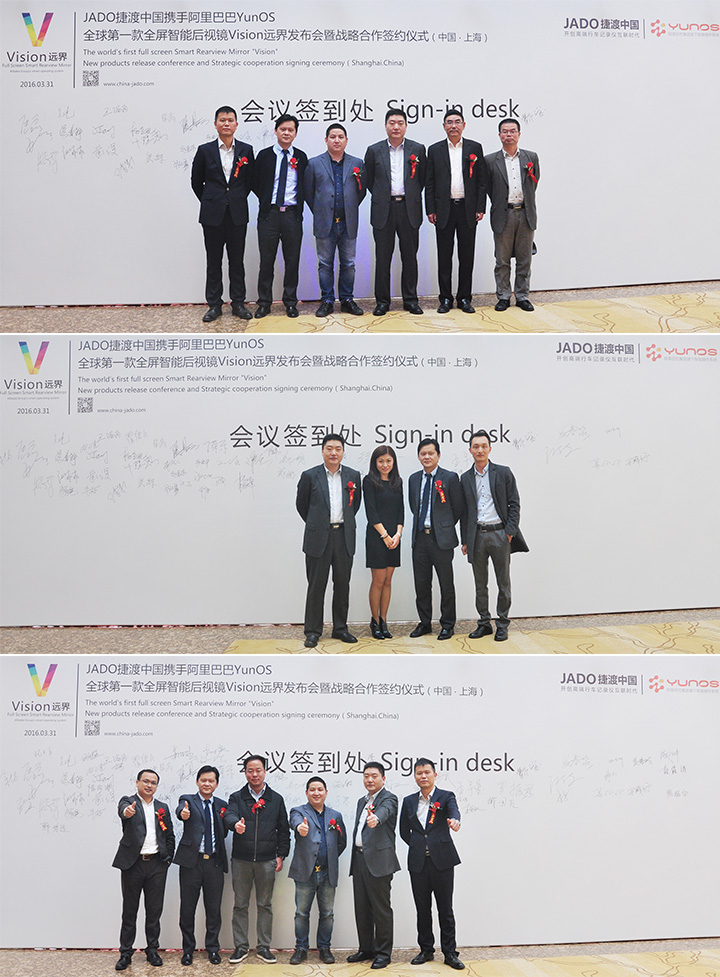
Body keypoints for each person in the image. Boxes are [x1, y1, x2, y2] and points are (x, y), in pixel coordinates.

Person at [460, 430, 529, 642]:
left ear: (490, 448)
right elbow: (465, 512)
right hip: (477, 536)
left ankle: (502, 623)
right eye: (476, 446)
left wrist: (509, 532)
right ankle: (484, 623)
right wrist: (465, 540)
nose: (480, 450)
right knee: (480, 584)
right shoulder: (465, 478)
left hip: (500, 534)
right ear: (470, 450)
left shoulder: (503, 473)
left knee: (503, 582)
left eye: (484, 446)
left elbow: (514, 504)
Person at [296, 432, 362, 647]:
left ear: (343, 452)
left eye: (338, 449)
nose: (334, 453)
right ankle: (313, 631)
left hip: (343, 537)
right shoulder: (309, 476)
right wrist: (318, 524)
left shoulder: (353, 476)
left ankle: (340, 628)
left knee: (342, 585)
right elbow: (302, 506)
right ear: (322, 451)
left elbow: (354, 505)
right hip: (318, 538)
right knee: (316, 586)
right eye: (329, 448)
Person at [191, 105, 255, 323]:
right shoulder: (205, 150)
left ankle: (238, 303)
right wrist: (212, 200)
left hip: (237, 214)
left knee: (237, 261)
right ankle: (214, 305)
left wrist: (234, 198)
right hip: (212, 215)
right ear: (215, 124)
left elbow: (249, 181)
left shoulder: (246, 150)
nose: (226, 123)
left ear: (236, 124)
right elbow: (196, 181)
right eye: (222, 120)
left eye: (230, 120)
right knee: (213, 261)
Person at [224, 755, 290, 965]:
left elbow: (283, 830)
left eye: (258, 770)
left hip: (267, 860)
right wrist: (235, 825)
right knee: (240, 905)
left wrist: (281, 855)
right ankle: (241, 947)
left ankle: (264, 947)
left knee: (265, 905)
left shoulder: (276, 799)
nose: (254, 774)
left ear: (265, 772)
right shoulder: (237, 797)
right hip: (241, 860)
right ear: (245, 772)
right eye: (250, 770)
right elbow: (229, 816)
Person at [399, 759, 463, 971]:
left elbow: (454, 813)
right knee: (422, 909)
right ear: (415, 776)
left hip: (442, 862)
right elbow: (403, 830)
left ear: (434, 775)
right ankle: (426, 949)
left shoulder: (446, 796)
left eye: (427, 772)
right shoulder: (409, 801)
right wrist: (419, 845)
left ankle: (450, 953)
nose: (423, 776)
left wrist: (455, 822)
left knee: (445, 909)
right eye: (419, 773)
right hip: (418, 863)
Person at [364, 109, 426, 316]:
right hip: (384, 209)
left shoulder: (418, 149)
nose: (396, 127)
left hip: (409, 209)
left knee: (410, 257)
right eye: (392, 123)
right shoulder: (374, 150)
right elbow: (370, 180)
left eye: (400, 123)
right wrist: (384, 196)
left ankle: (410, 300)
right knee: (383, 259)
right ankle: (382, 301)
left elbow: (421, 179)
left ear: (406, 126)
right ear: (385, 126)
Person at [112, 768, 175, 971]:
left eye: (153, 783)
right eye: (146, 781)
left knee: (154, 910)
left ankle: (152, 950)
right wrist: (127, 812)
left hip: (157, 864)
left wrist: (167, 860)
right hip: (133, 864)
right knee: (129, 910)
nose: (149, 785)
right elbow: (123, 810)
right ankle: (125, 953)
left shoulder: (162, 807)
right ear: (137, 782)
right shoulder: (128, 802)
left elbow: (170, 835)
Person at [425, 108, 487, 314]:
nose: (453, 125)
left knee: (466, 256)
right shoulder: (434, 150)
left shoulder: (475, 148)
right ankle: (445, 298)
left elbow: (481, 181)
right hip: (444, 209)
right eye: (449, 122)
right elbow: (429, 182)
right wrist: (431, 209)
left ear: (464, 125)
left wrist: (480, 207)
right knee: (444, 256)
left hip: (467, 210)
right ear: (444, 126)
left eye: (457, 122)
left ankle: (464, 298)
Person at [304, 124, 366, 317]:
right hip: (325, 223)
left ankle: (347, 299)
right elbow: (308, 192)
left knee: (349, 264)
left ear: (346, 140)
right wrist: (321, 211)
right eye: (332, 136)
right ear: (326, 140)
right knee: (325, 264)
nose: (336, 140)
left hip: (348, 222)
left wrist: (349, 208)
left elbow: (361, 191)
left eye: (340, 136)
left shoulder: (357, 163)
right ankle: (327, 300)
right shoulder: (314, 163)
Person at [408, 439, 464, 640]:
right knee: (422, 585)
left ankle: (447, 625)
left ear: (438, 455)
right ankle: (424, 623)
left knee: (446, 585)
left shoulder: (449, 477)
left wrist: (443, 526)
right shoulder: (414, 479)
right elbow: (414, 506)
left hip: (442, 540)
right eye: (423, 453)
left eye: (431, 453)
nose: (427, 457)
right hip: (420, 539)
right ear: (418, 456)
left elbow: (458, 507)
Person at [253, 114, 308, 318]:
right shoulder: (264, 155)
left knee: (292, 261)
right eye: (283, 129)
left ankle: (290, 302)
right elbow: (256, 183)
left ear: (295, 133)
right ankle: (264, 303)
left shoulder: (301, 157)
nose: (286, 133)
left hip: (292, 216)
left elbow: (305, 185)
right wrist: (267, 202)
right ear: (276, 131)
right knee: (266, 261)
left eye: (290, 130)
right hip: (270, 215)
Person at [288, 777, 347, 965]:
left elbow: (341, 842)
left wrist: (330, 857)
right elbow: (295, 822)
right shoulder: (298, 811)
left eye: (320, 789)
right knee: (301, 913)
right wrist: (300, 827)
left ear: (326, 792)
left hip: (328, 873)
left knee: (327, 913)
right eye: (312, 789)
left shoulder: (335, 815)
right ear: (306, 793)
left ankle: (324, 948)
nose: (316, 793)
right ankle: (301, 948)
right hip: (306, 872)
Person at [348, 762, 401, 970]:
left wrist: (376, 819)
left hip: (379, 862)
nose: (369, 779)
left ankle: (383, 953)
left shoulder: (389, 798)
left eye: (374, 776)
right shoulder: (362, 801)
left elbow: (385, 812)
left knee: (381, 909)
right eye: (366, 776)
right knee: (362, 908)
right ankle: (366, 949)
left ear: (383, 779)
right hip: (359, 860)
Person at [174, 765, 229, 966]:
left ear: (216, 784)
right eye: (203, 780)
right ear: (197, 782)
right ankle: (188, 950)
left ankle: (213, 949)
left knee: (213, 910)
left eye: (211, 780)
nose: (207, 783)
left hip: (214, 863)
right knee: (187, 909)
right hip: (192, 863)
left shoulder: (222, 805)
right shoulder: (187, 800)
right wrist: (183, 814)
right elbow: (181, 811)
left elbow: (225, 828)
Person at [484, 119, 540, 312]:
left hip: (525, 214)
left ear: (519, 134)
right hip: (503, 214)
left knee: (525, 260)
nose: (509, 134)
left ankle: (522, 296)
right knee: (502, 260)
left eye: (512, 131)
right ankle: (504, 296)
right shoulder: (490, 160)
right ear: (499, 135)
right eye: (505, 131)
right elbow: (489, 188)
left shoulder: (531, 157)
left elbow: (534, 182)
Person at [363, 445, 404, 639]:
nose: (385, 464)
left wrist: (398, 534)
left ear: (393, 462)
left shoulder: (398, 482)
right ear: (375, 463)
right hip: (377, 536)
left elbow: (401, 511)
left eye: (388, 461)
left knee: (388, 580)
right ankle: (374, 621)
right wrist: (385, 536)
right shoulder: (369, 481)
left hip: (394, 538)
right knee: (378, 580)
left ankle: (384, 620)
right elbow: (371, 512)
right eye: (381, 461)